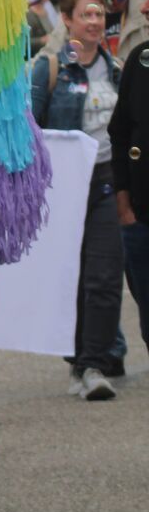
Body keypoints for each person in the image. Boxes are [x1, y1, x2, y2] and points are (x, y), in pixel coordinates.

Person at [30, 0, 126, 400]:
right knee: (72, 278)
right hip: (65, 185)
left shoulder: (118, 71)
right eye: (86, 14)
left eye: (99, 15)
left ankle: (93, 366)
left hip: (106, 181)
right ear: (66, 19)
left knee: (104, 279)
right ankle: (76, 361)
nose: (94, 22)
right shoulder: (49, 67)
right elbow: (31, 130)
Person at [108, 29, 149, 358]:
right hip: (141, 218)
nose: (146, 6)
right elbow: (119, 133)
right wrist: (124, 205)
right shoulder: (139, 60)